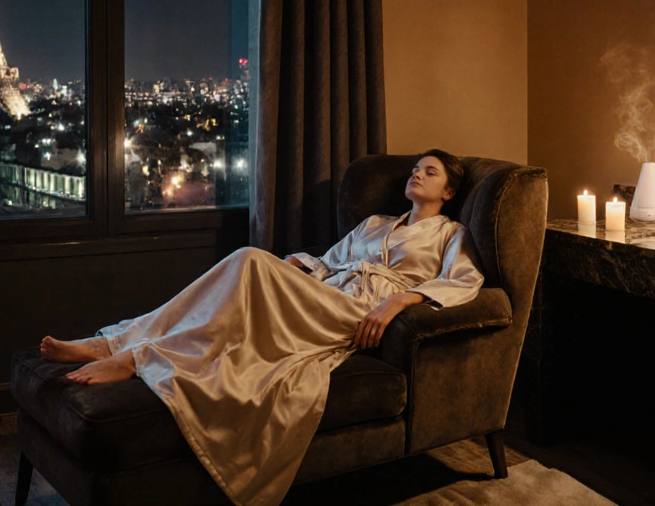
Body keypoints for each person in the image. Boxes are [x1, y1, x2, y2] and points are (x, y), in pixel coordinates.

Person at [39, 149, 483, 506]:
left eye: (430, 172)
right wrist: (296, 265)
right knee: (247, 265)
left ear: (448, 191)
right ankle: (117, 343)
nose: (417, 175)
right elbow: (327, 261)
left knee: (248, 259)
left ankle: (133, 354)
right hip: (326, 294)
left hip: (360, 310)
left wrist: (403, 298)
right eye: (415, 169)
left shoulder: (450, 233)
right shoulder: (375, 224)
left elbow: (464, 281)